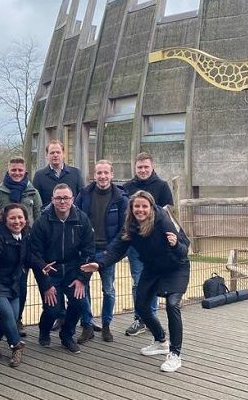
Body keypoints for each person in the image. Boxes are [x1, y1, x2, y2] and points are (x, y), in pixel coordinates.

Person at [81, 190, 190, 372]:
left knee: (172, 305)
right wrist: (99, 264)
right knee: (141, 306)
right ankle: (161, 340)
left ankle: (175, 354)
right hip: (152, 268)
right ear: (131, 208)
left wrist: (176, 244)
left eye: (144, 206)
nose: (140, 210)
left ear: (151, 207)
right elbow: (116, 249)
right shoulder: (130, 227)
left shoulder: (163, 221)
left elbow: (184, 248)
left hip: (175, 267)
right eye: (136, 206)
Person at [0, 204, 46, 367]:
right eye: (12, 218)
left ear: (26, 220)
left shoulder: (25, 235)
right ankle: (16, 346)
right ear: (5, 220)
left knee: (11, 316)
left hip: (13, 284)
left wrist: (41, 265)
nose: (17, 221)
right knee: (8, 315)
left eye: (20, 218)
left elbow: (29, 257)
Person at [29, 183, 95, 354]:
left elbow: (88, 251)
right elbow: (35, 255)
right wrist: (46, 284)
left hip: (74, 269)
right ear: (52, 200)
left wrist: (82, 279)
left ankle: (67, 335)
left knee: (79, 303)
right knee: (52, 309)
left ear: (72, 199)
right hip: (51, 270)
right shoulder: (42, 222)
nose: (62, 201)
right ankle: (44, 330)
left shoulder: (82, 220)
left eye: (66, 198)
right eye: (58, 198)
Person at [74, 159, 127, 343]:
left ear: (112, 175)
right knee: (83, 289)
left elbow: (123, 229)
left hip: (107, 252)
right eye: (99, 173)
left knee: (108, 290)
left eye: (106, 173)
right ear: (93, 175)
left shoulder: (121, 199)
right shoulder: (84, 195)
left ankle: (106, 325)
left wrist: (111, 252)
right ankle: (87, 325)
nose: (102, 176)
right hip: (87, 251)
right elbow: (76, 220)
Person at [121, 152, 174, 336]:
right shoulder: (127, 187)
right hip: (136, 244)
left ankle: (151, 318)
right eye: (139, 167)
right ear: (135, 168)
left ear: (152, 167)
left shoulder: (162, 186)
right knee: (138, 281)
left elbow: (169, 211)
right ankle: (139, 318)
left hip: (156, 245)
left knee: (152, 282)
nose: (143, 170)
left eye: (146, 167)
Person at [0, 156, 42, 336]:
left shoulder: (32, 192)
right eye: (14, 170)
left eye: (20, 170)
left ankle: (17, 319)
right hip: (4, 245)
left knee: (21, 285)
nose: (17, 173)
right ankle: (7, 322)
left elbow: (38, 216)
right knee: (4, 288)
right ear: (8, 170)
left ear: (25, 171)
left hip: (25, 244)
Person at [32, 139, 84, 207]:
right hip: (48, 216)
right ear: (46, 155)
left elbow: (82, 198)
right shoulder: (39, 176)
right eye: (52, 153)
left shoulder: (76, 173)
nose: (55, 155)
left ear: (64, 154)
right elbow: (36, 203)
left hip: (72, 216)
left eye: (58, 152)